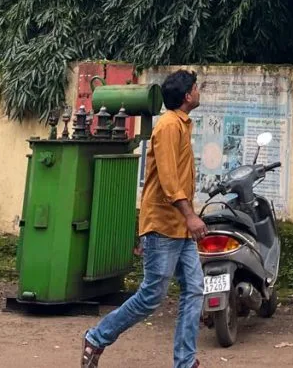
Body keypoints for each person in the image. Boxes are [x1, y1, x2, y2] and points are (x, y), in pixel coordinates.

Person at [81, 70, 206, 368]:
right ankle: (96, 338)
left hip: (180, 228)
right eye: (196, 88)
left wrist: (187, 220)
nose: (199, 91)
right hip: (164, 225)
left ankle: (185, 362)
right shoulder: (167, 127)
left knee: (195, 289)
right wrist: (190, 216)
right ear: (187, 95)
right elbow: (168, 179)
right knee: (152, 296)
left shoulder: (182, 125)